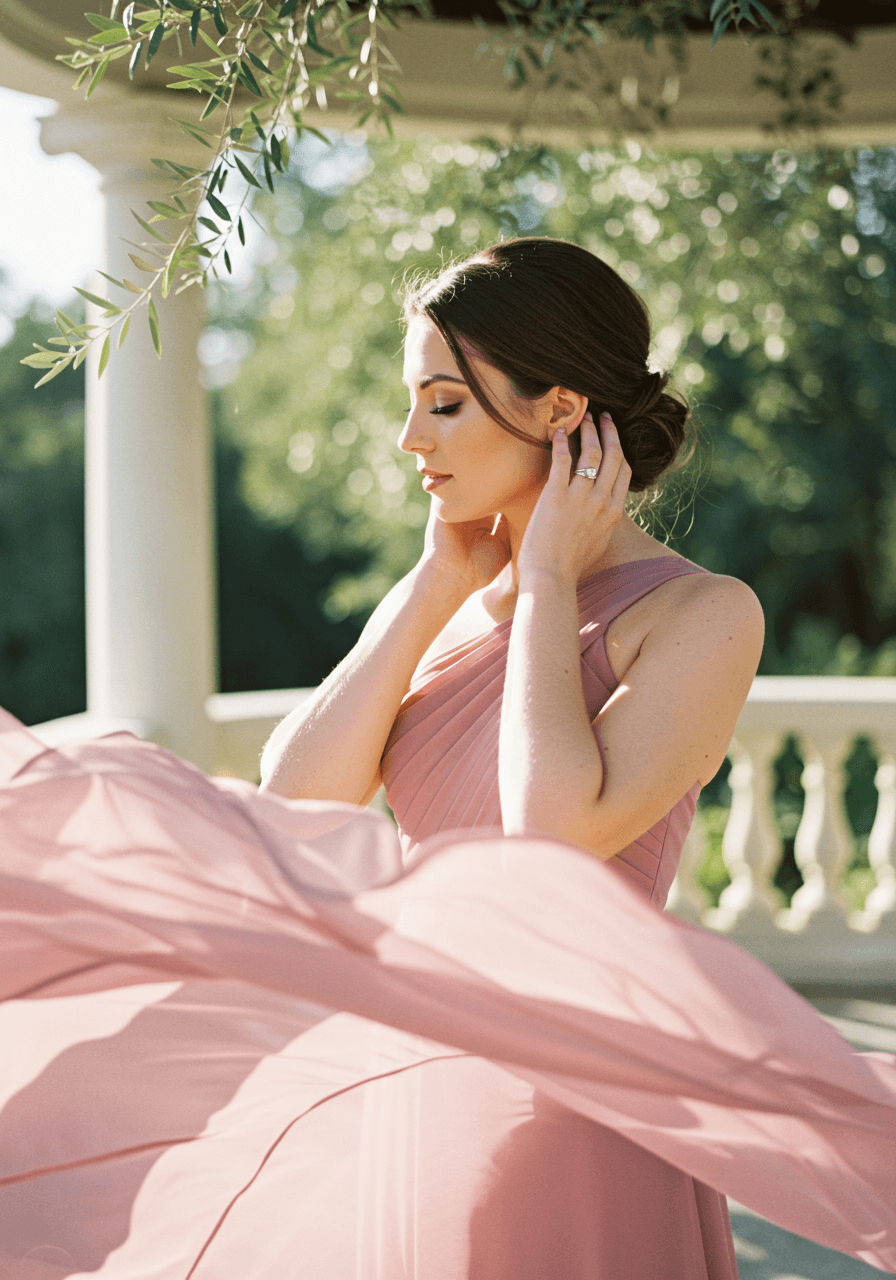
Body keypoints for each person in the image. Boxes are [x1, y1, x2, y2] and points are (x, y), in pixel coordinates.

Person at [0, 237, 894, 1280]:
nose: (405, 436)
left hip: (571, 1098)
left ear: (558, 411)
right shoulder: (457, 598)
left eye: (443, 402)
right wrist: (433, 583)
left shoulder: (700, 613)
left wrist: (551, 575)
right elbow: (293, 801)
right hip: (408, 1073)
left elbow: (551, 835)